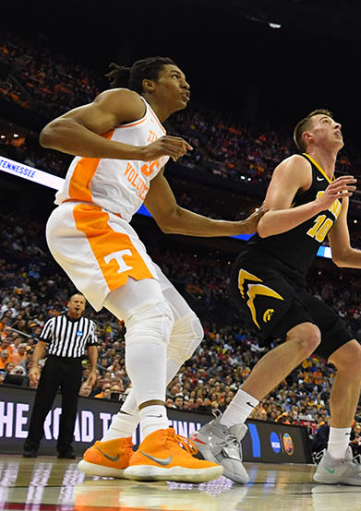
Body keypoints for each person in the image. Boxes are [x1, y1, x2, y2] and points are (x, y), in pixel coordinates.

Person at [39, 57, 261, 483]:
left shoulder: (158, 142)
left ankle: (114, 442)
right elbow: (55, 132)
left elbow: (170, 217)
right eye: (176, 76)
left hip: (115, 226)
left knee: (185, 329)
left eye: (186, 77)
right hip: (87, 214)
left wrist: (239, 228)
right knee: (151, 314)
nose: (186, 83)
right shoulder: (128, 103)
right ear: (149, 84)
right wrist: (140, 152)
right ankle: (157, 439)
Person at [188, 109, 361, 486]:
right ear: (308, 137)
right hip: (258, 267)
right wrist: (317, 204)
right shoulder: (297, 165)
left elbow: (341, 255)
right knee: (307, 336)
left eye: (336, 121)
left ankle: (335, 459)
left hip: (294, 279)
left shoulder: (337, 194)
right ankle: (222, 429)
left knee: (355, 357)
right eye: (326, 122)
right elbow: (265, 224)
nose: (337, 124)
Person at [23, 293, 98, 459]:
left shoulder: (89, 325)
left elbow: (92, 348)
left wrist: (93, 370)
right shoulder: (54, 322)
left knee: (70, 407)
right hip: (54, 363)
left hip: (74, 365)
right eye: (75, 302)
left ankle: (65, 447)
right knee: (42, 404)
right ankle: (31, 446)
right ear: (68, 304)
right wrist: (35, 366)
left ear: (84, 307)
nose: (78, 305)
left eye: (81, 303)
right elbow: (41, 344)